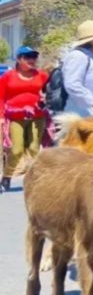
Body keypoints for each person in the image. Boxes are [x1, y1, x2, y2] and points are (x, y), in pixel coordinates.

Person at [0, 46, 48, 193]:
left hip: (37, 116)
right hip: (16, 117)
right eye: (28, 57)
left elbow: (51, 91)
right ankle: (7, 177)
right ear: (19, 59)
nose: (32, 60)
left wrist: (47, 98)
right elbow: (0, 97)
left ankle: (36, 179)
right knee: (16, 149)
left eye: (34, 57)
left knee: (34, 148)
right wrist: (1, 116)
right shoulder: (8, 76)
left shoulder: (42, 76)